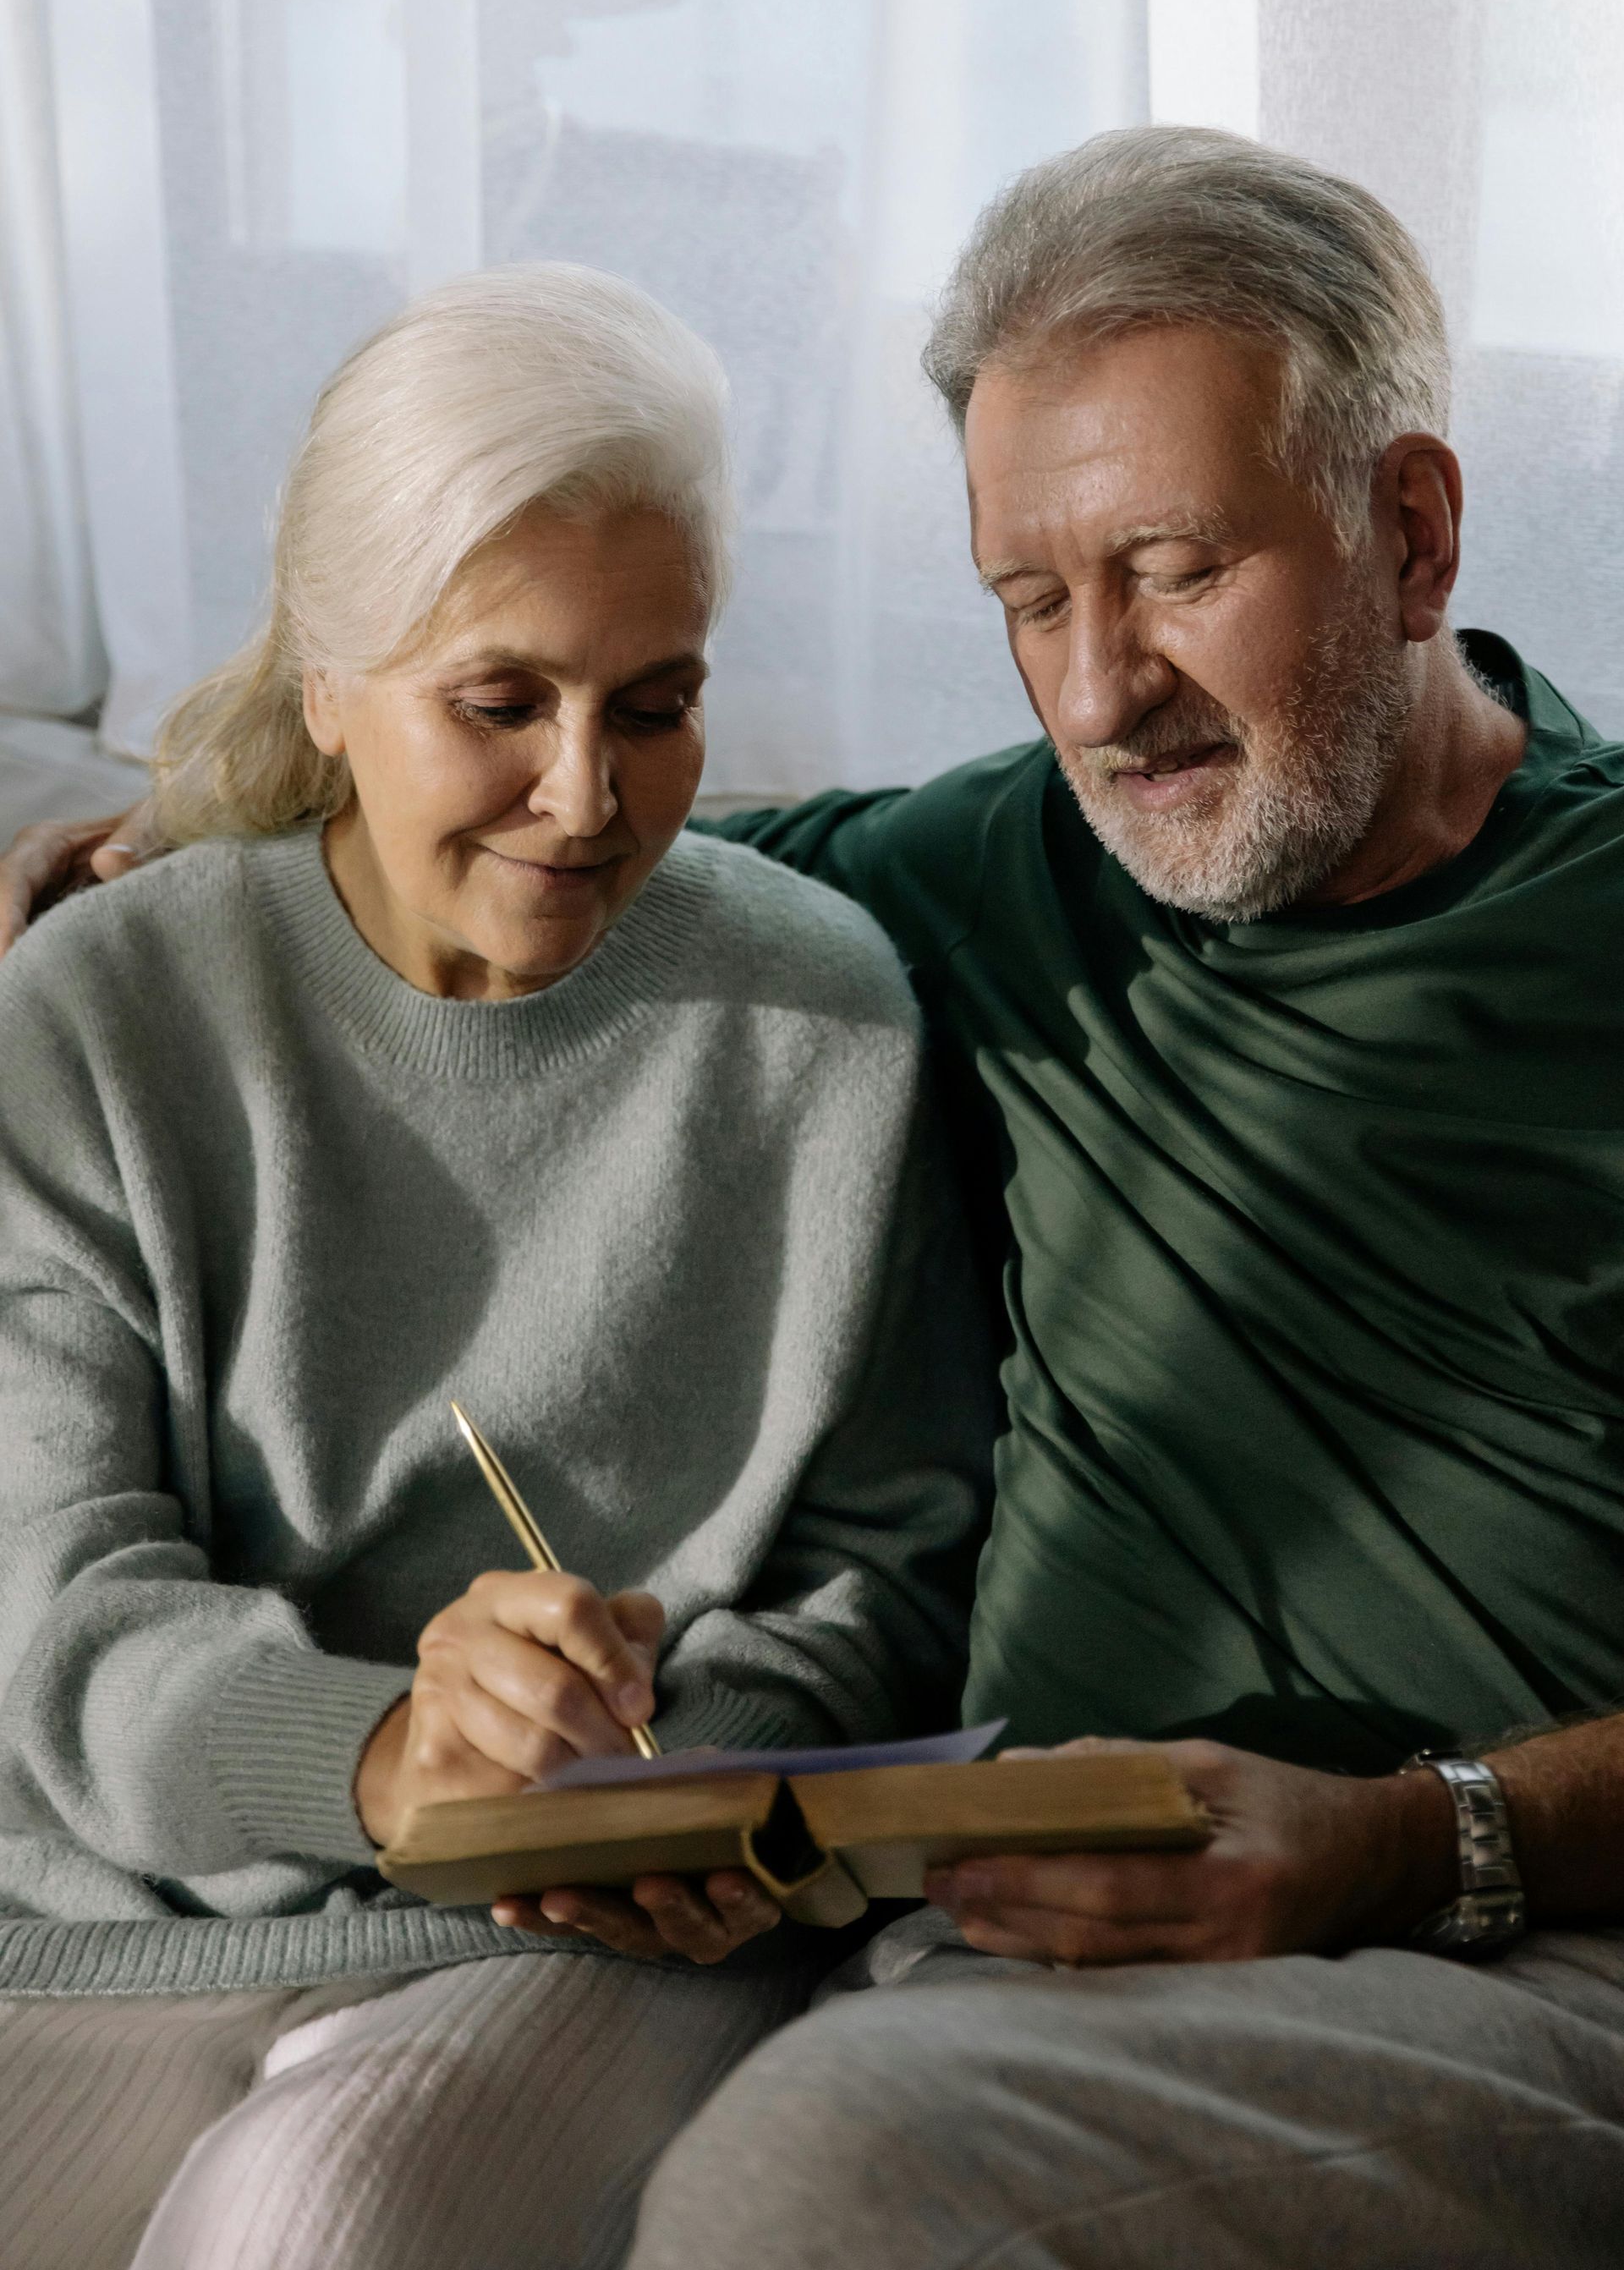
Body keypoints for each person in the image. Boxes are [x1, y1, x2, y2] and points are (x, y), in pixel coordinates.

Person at [12, 130, 1624, 2265]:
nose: (1098, 692)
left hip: (1507, 1936)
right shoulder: (978, 880)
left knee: (810, 2178)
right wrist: (125, 857)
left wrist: (1417, 1843)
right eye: (1029, 602)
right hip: (1003, 1930)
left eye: (1175, 567)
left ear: (1408, 529)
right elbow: (527, 870)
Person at [0, 262, 990, 2270]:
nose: (587, 798)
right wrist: (390, 1758)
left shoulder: (829, 1021)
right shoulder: (99, 1013)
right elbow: (54, 1620)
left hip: (611, 1936)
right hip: (108, 1903)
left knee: (311, 2226)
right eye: (499, 702)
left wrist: (677, 1788)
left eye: (659, 704)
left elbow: (886, 1574)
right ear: (328, 692)